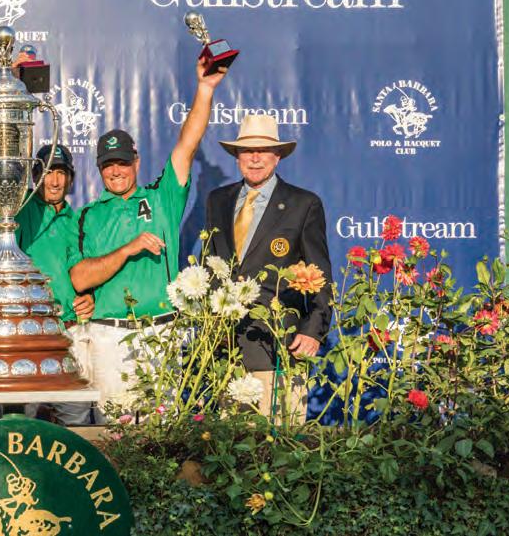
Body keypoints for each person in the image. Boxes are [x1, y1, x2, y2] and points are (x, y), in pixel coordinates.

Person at [68, 57, 227, 416]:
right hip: (109, 337)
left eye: (123, 163)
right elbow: (79, 279)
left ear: (136, 163)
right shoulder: (88, 215)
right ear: (99, 169)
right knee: (114, 430)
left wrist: (205, 89)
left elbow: (187, 144)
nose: (116, 171)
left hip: (162, 333)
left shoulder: (161, 198)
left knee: (160, 435)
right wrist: (128, 248)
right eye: (108, 165)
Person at [204, 113, 331, 421]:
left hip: (278, 346)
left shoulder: (304, 204)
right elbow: (211, 265)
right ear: (237, 156)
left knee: (280, 441)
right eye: (248, 150)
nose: (255, 158)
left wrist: (313, 331)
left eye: (263, 150)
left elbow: (319, 274)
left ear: (278, 156)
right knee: (228, 441)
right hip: (226, 349)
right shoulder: (218, 201)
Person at [16, 143, 94, 425]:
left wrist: (91, 296)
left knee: (76, 422)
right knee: (20, 423)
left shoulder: (79, 219)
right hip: (28, 336)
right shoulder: (20, 209)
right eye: (48, 172)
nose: (55, 180)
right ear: (35, 176)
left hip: (70, 334)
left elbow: (86, 270)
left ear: (70, 178)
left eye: (61, 172)